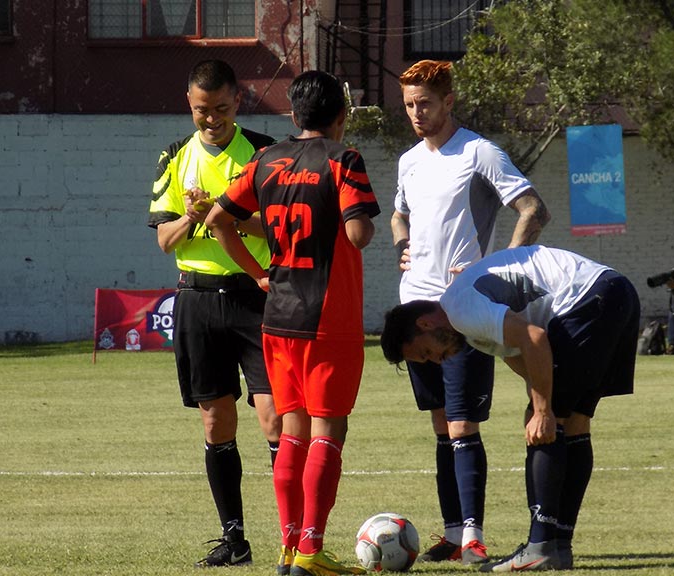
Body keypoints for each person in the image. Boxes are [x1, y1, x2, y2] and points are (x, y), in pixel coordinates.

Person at [205, 70, 380, 576]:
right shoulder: (343, 159)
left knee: (292, 431)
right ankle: (311, 550)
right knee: (329, 428)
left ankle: (287, 550)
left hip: (278, 317)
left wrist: (259, 273)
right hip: (328, 318)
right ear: (341, 117)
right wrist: (357, 214)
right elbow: (359, 233)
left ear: (293, 115)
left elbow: (219, 220)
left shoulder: (266, 159)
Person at [380, 246, 640, 572]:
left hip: (588, 301)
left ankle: (541, 546)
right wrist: (540, 402)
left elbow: (533, 337)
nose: (436, 360)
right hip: (615, 294)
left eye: (426, 352)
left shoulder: (460, 310)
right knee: (574, 422)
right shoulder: (467, 329)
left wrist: (543, 410)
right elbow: (521, 357)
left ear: (425, 323)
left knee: (547, 423)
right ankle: (558, 545)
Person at [390, 59, 550, 565]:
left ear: (449, 101)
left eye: (426, 104)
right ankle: (453, 533)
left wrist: (497, 269)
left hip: (461, 315)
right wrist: (401, 243)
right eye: (410, 105)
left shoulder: (479, 152)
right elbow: (399, 212)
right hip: (415, 314)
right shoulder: (409, 160)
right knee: (441, 427)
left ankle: (474, 536)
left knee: (463, 426)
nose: (417, 113)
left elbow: (533, 210)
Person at [146, 58, 282, 569]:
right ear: (190, 104)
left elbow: (277, 230)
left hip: (256, 296)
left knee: (274, 418)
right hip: (197, 300)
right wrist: (192, 216)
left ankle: (293, 536)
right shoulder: (174, 157)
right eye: (202, 110)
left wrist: (227, 217)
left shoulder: (265, 152)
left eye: (221, 109)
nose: (211, 119)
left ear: (238, 102)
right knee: (215, 421)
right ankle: (235, 540)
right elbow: (164, 239)